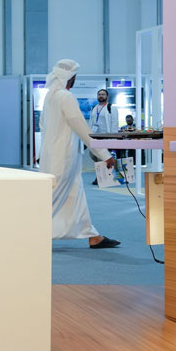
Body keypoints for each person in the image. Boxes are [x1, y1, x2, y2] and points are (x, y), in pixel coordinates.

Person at [39, 59, 120, 248]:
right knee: (53, 198)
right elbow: (82, 128)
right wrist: (104, 154)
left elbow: (43, 126)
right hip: (63, 158)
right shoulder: (65, 97)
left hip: (55, 155)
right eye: (75, 76)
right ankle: (32, 234)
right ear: (70, 76)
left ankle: (92, 235)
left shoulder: (50, 96)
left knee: (76, 195)